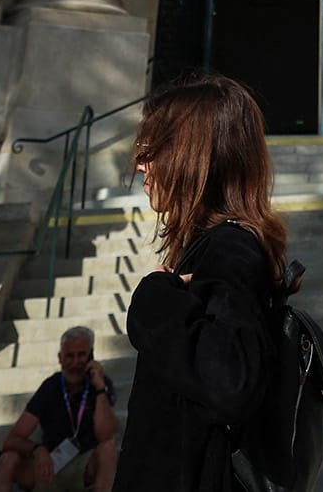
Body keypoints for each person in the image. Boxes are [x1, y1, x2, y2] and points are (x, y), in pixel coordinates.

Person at [115, 74, 286, 492]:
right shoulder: (219, 246)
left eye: (151, 150)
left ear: (191, 155)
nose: (140, 165)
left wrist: (153, 298)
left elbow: (230, 379)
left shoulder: (230, 249)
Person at [0, 327, 116, 491]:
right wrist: (37, 449)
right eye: (70, 356)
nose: (76, 362)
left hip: (83, 465)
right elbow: (11, 440)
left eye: (82, 355)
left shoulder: (100, 384)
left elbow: (105, 435)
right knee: (8, 459)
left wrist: (99, 388)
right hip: (49, 465)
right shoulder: (51, 387)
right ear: (60, 358)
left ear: (91, 355)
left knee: (108, 450)